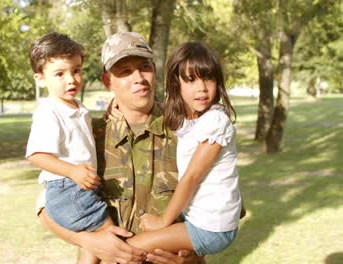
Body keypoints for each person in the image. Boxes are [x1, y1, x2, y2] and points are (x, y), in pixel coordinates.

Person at [37, 32, 205, 263]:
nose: (138, 78)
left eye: (144, 67)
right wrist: (89, 242)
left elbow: (225, 204)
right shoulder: (91, 136)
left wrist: (195, 253)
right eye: (125, 71)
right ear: (108, 81)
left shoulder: (189, 130)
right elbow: (45, 208)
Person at [127, 41, 242, 257]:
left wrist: (163, 221)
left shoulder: (216, 120)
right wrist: (117, 102)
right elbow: (157, 109)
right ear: (176, 83)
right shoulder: (190, 121)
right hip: (200, 220)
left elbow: (191, 177)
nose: (202, 88)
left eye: (208, 78)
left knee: (130, 249)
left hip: (212, 227)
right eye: (190, 80)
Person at [25, 32, 114, 263]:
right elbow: (36, 155)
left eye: (76, 70)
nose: (71, 79)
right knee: (112, 242)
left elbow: (81, 137)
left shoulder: (75, 106)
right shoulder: (49, 111)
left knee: (93, 248)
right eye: (60, 74)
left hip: (79, 187)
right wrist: (72, 171)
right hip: (68, 189)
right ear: (40, 78)